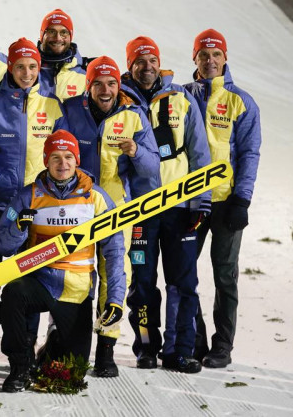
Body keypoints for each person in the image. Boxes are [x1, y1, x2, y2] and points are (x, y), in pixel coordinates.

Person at [0, 130, 126, 392]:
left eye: (68, 157)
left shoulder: (96, 198)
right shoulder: (28, 195)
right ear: (46, 160)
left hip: (76, 292)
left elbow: (113, 252)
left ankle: (53, 343)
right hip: (40, 282)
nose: (62, 163)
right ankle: (20, 366)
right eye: (55, 157)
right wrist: (19, 227)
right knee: (13, 293)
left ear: (76, 160)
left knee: (71, 373)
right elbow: (2, 245)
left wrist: (114, 299)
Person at [62, 55, 160, 377]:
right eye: (98, 83)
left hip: (118, 209)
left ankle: (106, 349)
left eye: (112, 83)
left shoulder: (134, 115)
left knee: (116, 275)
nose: (105, 90)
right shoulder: (71, 111)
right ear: (88, 85)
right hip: (77, 208)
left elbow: (152, 168)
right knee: (75, 275)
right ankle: (68, 341)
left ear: (119, 85)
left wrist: (136, 152)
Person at [120, 36, 211, 373]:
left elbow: (200, 153)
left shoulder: (181, 99)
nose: (147, 67)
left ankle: (179, 349)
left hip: (180, 207)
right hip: (139, 211)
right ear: (130, 65)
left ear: (160, 63)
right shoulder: (120, 100)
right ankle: (146, 346)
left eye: (152, 60)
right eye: (140, 61)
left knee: (183, 282)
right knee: (142, 282)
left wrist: (201, 202)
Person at [184, 29, 261, 369]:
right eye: (204, 55)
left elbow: (249, 153)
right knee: (183, 274)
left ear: (225, 58)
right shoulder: (182, 97)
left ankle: (222, 346)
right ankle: (194, 339)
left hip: (226, 202)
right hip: (189, 202)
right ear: (195, 59)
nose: (210, 61)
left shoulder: (241, 101)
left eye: (216, 55)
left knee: (225, 276)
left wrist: (241, 199)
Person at [0, 37, 67, 229]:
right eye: (20, 67)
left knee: (38, 258)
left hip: (42, 200)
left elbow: (66, 153)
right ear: (10, 68)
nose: (27, 73)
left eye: (32, 66)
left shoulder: (52, 105)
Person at [37, 9, 86, 101]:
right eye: (51, 32)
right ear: (42, 35)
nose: (58, 38)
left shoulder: (86, 74)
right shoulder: (27, 70)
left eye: (64, 32)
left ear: (70, 36)